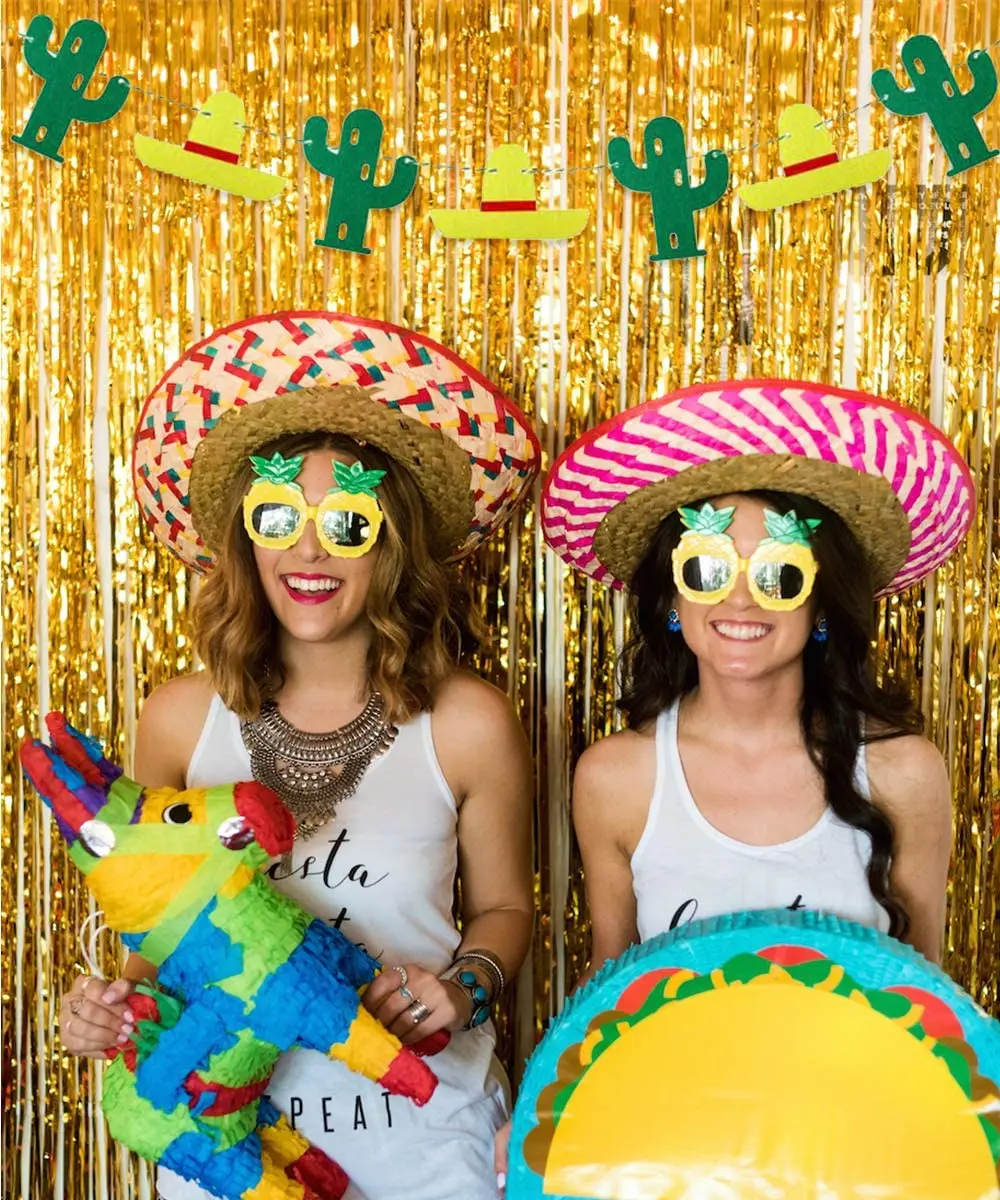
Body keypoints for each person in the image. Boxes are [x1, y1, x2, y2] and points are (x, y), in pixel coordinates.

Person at [53, 312, 540, 1200]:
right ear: (246, 535)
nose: (308, 548)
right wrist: (113, 1011)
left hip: (427, 1146)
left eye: (346, 523)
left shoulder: (467, 721)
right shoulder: (179, 720)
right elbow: (159, 927)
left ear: (391, 544)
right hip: (233, 1147)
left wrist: (463, 987)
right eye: (279, 516)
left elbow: (507, 908)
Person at [539, 378, 973, 989]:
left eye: (779, 574)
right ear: (672, 598)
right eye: (707, 569)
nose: (740, 598)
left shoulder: (903, 772)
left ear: (822, 605)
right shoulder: (615, 779)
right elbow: (609, 998)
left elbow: (929, 999)